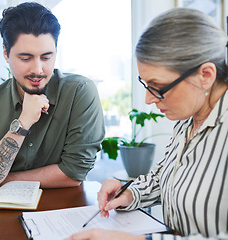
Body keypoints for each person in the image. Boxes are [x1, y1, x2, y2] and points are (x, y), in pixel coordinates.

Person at [67, 8, 228, 240]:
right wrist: (130, 192)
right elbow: (167, 177)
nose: (149, 99)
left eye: (158, 87)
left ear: (205, 75)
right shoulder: (187, 121)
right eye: (145, 84)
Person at [0, 2, 105, 193]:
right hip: (0, 214)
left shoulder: (79, 92)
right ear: (6, 53)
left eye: (47, 57)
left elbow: (74, 173)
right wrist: (22, 123)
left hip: (62, 211)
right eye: (26, 58)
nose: (38, 70)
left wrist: (6, 180)